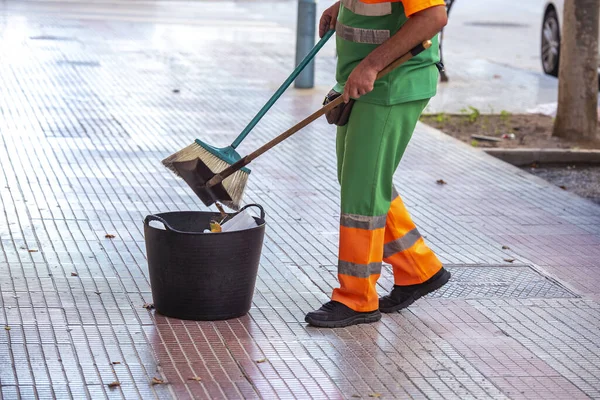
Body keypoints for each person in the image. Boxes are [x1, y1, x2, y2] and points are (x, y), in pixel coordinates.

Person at [305, 0, 451, 328]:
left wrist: (371, 64)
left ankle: (357, 297)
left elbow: (432, 15)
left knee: (363, 192)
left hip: (391, 82)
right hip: (364, 81)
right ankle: (418, 268)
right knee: (361, 180)